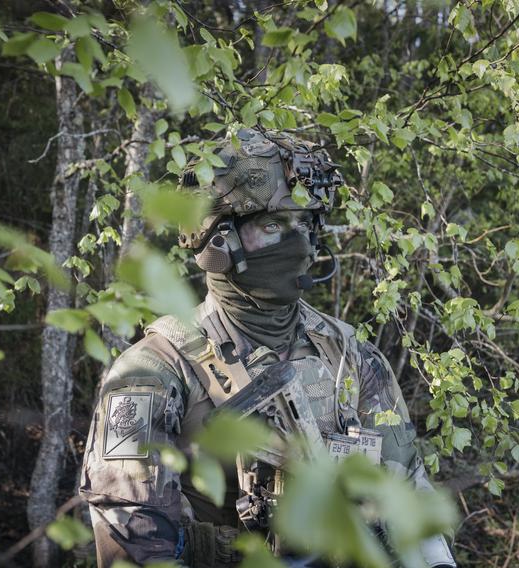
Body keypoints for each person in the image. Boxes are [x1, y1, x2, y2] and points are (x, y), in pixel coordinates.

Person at [78, 128, 457, 567]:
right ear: (218, 238)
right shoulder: (152, 373)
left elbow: (409, 499)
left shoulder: (353, 358)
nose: (298, 243)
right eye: (274, 225)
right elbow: (131, 539)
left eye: (305, 223)